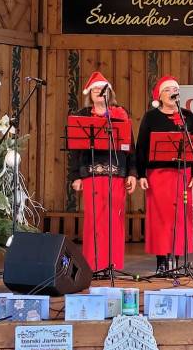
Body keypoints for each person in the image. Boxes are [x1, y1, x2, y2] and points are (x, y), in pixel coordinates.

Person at [68, 72, 137, 271]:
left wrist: (132, 173)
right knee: (94, 221)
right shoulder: (82, 115)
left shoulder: (121, 114)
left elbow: (130, 147)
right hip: (91, 175)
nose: (99, 92)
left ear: (110, 93)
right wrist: (75, 176)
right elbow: (75, 150)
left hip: (117, 175)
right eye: (95, 89)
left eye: (102, 89)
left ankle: (113, 265)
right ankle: (93, 266)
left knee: (114, 220)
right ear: (89, 94)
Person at [136, 75, 193, 273]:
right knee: (161, 220)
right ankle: (162, 261)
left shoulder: (188, 116)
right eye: (167, 89)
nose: (173, 92)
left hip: (183, 174)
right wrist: (141, 174)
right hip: (158, 174)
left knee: (181, 218)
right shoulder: (151, 117)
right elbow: (141, 147)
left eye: (175, 89)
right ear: (159, 95)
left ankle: (178, 259)